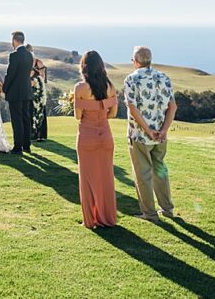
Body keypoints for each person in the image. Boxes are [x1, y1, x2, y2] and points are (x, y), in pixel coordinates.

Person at [124, 45, 177, 221]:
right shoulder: (164, 77)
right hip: (161, 136)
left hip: (140, 135)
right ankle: (167, 209)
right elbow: (173, 107)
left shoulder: (131, 79)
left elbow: (132, 108)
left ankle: (149, 213)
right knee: (160, 170)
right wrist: (163, 131)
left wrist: (148, 131)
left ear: (135, 61)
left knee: (143, 174)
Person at [73, 50, 118, 228]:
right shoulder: (111, 87)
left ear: (84, 67)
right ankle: (107, 218)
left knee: (87, 178)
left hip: (87, 137)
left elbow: (78, 116)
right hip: (106, 137)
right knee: (106, 178)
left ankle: (90, 220)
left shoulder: (80, 88)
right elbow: (112, 114)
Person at [2, 31, 35, 154]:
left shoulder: (14, 55)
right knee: (26, 118)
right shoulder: (29, 55)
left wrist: (5, 88)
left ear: (15, 41)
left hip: (15, 92)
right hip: (27, 91)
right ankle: (27, 146)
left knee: (17, 120)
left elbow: (11, 74)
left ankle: (17, 147)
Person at [27, 44, 48, 142]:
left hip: (38, 90)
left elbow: (42, 77)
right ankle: (31, 133)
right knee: (30, 111)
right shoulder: (25, 62)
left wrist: (35, 81)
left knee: (39, 110)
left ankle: (40, 134)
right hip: (28, 90)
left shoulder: (38, 62)